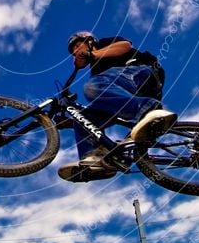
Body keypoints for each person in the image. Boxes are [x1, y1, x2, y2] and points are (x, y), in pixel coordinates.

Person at [58, 30, 177, 182]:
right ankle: (96, 159)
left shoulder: (103, 44)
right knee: (84, 118)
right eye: (73, 52)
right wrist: (73, 121)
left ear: (89, 41)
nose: (75, 52)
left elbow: (125, 46)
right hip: (122, 90)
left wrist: (92, 55)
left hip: (140, 73)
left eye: (77, 46)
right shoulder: (97, 72)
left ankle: (149, 110)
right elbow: (107, 99)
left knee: (94, 86)